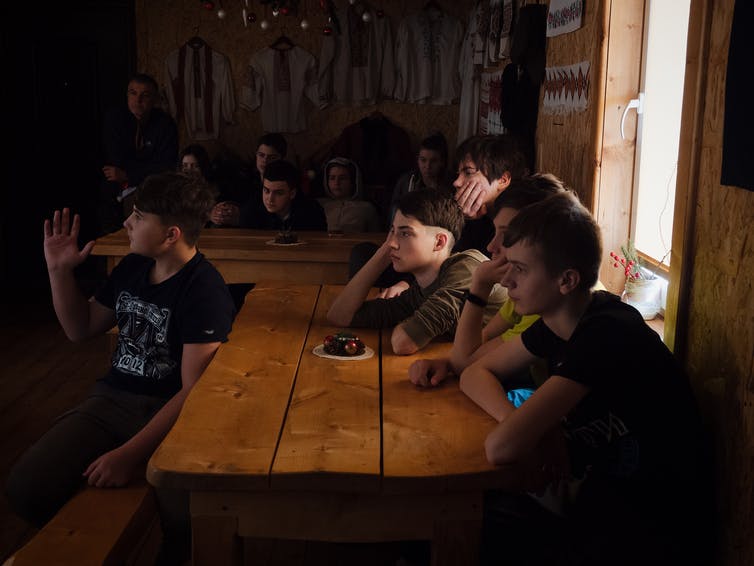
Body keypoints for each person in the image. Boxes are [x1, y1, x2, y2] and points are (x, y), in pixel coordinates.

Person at [459, 191, 708, 565]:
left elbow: (502, 447)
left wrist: (526, 431)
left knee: (471, 524)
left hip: (647, 533)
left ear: (567, 280)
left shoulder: (606, 333)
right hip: (597, 507)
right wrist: (531, 427)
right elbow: (473, 373)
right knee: (473, 513)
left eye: (521, 269)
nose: (507, 281)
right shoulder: (558, 320)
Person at [6, 173, 236, 564]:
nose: (127, 222)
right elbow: (81, 328)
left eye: (139, 216)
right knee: (26, 489)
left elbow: (193, 393)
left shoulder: (204, 289)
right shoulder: (133, 267)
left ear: (170, 235)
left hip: (172, 418)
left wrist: (129, 454)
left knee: (184, 523)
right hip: (111, 402)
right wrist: (59, 271)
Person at [408, 174, 567, 399]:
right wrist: (448, 363)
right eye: (495, 232)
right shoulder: (526, 293)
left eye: (507, 235)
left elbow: (469, 364)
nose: (492, 246)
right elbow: (477, 348)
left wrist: (480, 285)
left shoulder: (544, 304)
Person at [327, 189, 507, 355]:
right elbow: (340, 316)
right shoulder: (419, 292)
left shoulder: (467, 268)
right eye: (392, 232)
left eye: (405, 233)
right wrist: (382, 255)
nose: (392, 243)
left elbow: (403, 343)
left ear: (439, 242)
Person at [99, 73, 178, 235]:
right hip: (113, 193)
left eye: (145, 95)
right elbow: (115, 162)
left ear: (154, 99)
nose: (138, 100)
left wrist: (129, 174)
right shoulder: (115, 118)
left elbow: (165, 166)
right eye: (133, 93)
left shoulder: (164, 124)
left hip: (151, 192)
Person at [210, 132, 287, 227]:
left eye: (272, 157)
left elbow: (274, 218)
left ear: (282, 158)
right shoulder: (246, 178)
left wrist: (241, 218)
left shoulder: (285, 183)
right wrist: (216, 213)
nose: (265, 161)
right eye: (261, 155)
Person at [240, 159, 327, 231]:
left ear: (292, 193)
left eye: (278, 193)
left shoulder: (312, 213)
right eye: (266, 191)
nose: (270, 199)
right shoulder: (251, 211)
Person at [389, 132, 453, 222]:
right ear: (417, 160)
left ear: (442, 162)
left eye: (433, 161)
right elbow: (394, 212)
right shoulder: (407, 181)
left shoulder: (451, 183)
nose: (427, 166)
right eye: (423, 160)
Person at [318, 157, 382, 233]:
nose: (337, 183)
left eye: (342, 178)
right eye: (332, 178)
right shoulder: (319, 205)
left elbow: (375, 237)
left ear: (352, 181)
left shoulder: (366, 208)